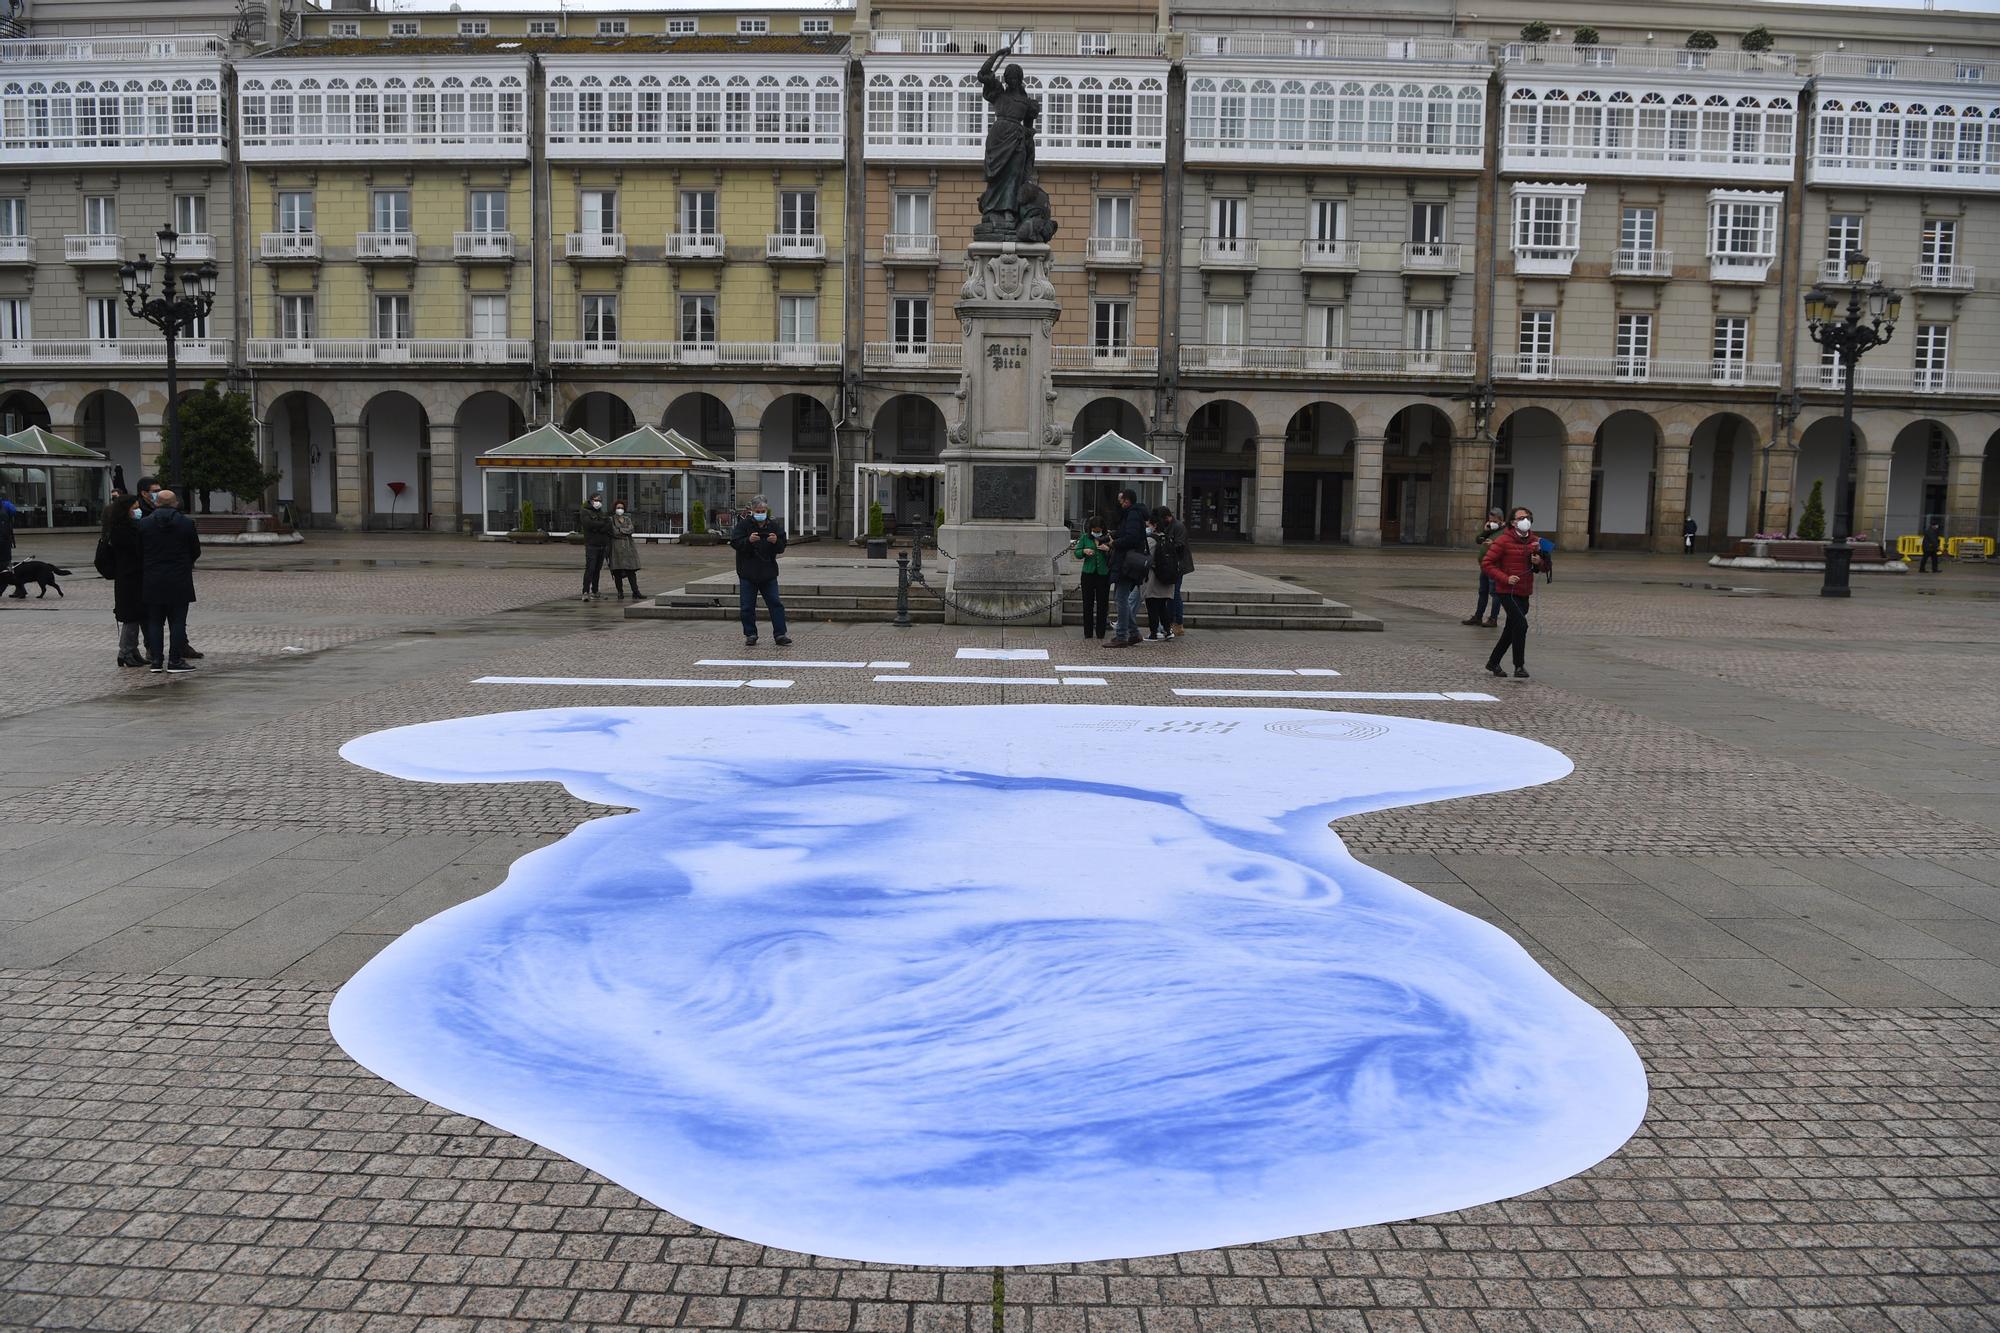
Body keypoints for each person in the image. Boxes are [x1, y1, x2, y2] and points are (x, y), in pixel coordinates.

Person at [136, 489, 201, 674]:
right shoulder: (186, 524)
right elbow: (195, 550)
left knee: (155, 622)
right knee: (178, 621)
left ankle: (156, 661)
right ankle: (175, 660)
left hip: (153, 578)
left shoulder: (144, 524)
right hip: (179, 578)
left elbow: (138, 551)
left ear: (156, 503)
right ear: (175, 503)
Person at [1480, 506, 1543, 681]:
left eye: (1528, 517)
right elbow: (1487, 563)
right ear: (1513, 522)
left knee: (1511, 628)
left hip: (1524, 591)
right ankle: (1519, 665)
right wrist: (1505, 578)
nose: (1525, 520)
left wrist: (1539, 562)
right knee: (1521, 625)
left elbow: (1544, 567)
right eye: (1521, 518)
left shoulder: (1535, 541)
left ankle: (1493, 662)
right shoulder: (1503, 540)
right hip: (1507, 591)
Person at [730, 494, 790, 647]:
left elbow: (783, 545)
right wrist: (748, 541)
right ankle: (751, 634)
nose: (760, 513)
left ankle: (780, 634)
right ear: (752, 510)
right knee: (747, 606)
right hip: (748, 573)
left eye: (763, 510)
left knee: (775, 603)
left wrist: (776, 542)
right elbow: (735, 542)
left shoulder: (774, 525)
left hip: (768, 572)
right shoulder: (744, 526)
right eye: (758, 510)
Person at [100, 489, 147, 667]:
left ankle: (132, 650)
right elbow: (134, 552)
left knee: (135, 616)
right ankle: (125, 652)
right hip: (128, 578)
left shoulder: (125, 528)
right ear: (126, 510)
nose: (138, 510)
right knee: (131, 617)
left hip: (132, 577)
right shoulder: (122, 530)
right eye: (135, 507)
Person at [1104, 488, 1149, 648]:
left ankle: (1122, 636)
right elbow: (1128, 533)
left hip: (1126, 563)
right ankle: (1134, 633)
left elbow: (1131, 537)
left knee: (1121, 598)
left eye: (1121, 501)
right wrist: (1114, 534)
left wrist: (1114, 543)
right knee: (1120, 598)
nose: (1119, 503)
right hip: (1125, 562)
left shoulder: (1132, 515)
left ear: (1127, 501)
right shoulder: (1132, 515)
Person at [1462, 508, 1505, 627]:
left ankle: (1493, 618)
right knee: (1482, 591)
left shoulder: (1505, 531)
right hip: (1484, 566)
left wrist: (1494, 544)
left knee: (1494, 593)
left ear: (1501, 520)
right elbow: (1478, 540)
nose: (1492, 522)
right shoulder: (1490, 529)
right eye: (1490, 520)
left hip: (1495, 566)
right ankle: (1478, 617)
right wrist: (1486, 531)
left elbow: (1505, 546)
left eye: (1494, 520)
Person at [1142, 508, 1178, 643]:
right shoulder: (1167, 537)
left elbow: (1147, 559)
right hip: (1166, 579)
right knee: (1163, 606)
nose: (1147, 527)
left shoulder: (1152, 540)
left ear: (1154, 525)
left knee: (1152, 606)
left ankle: (1153, 633)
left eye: (1149, 525)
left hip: (1154, 579)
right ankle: (1167, 631)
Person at [1072, 516, 1110, 640]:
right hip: (1088, 574)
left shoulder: (1108, 538)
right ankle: (1088, 632)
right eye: (1094, 530)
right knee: (1087, 604)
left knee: (1102, 604)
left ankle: (1101, 632)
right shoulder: (1084, 537)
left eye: (1099, 530)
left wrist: (1108, 549)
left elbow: (1115, 553)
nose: (1096, 532)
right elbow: (1077, 553)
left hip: (1103, 574)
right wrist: (1084, 551)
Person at [1162, 504, 1194, 637]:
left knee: (1174, 593)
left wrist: (1165, 547)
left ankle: (1178, 623)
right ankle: (1171, 622)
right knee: (1171, 594)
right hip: (1172, 565)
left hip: (1178, 565)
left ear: (1166, 517)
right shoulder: (1170, 526)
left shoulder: (1178, 526)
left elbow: (1179, 545)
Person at [578, 494, 611, 600]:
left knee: (597, 569)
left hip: (602, 544)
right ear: (591, 501)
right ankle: (585, 591)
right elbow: (589, 525)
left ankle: (595, 591)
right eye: (596, 500)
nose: (598, 502)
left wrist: (598, 526)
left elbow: (608, 525)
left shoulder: (601, 512)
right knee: (590, 569)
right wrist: (601, 525)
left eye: (600, 500)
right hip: (591, 545)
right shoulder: (585, 511)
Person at [608, 501, 643, 600]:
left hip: (628, 548)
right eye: (618, 507)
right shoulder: (611, 520)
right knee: (617, 572)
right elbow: (614, 532)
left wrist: (621, 530)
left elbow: (631, 529)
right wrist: (625, 531)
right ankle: (620, 592)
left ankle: (635, 592)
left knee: (631, 571)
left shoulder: (627, 519)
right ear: (614, 508)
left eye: (622, 507)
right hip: (616, 549)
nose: (620, 509)